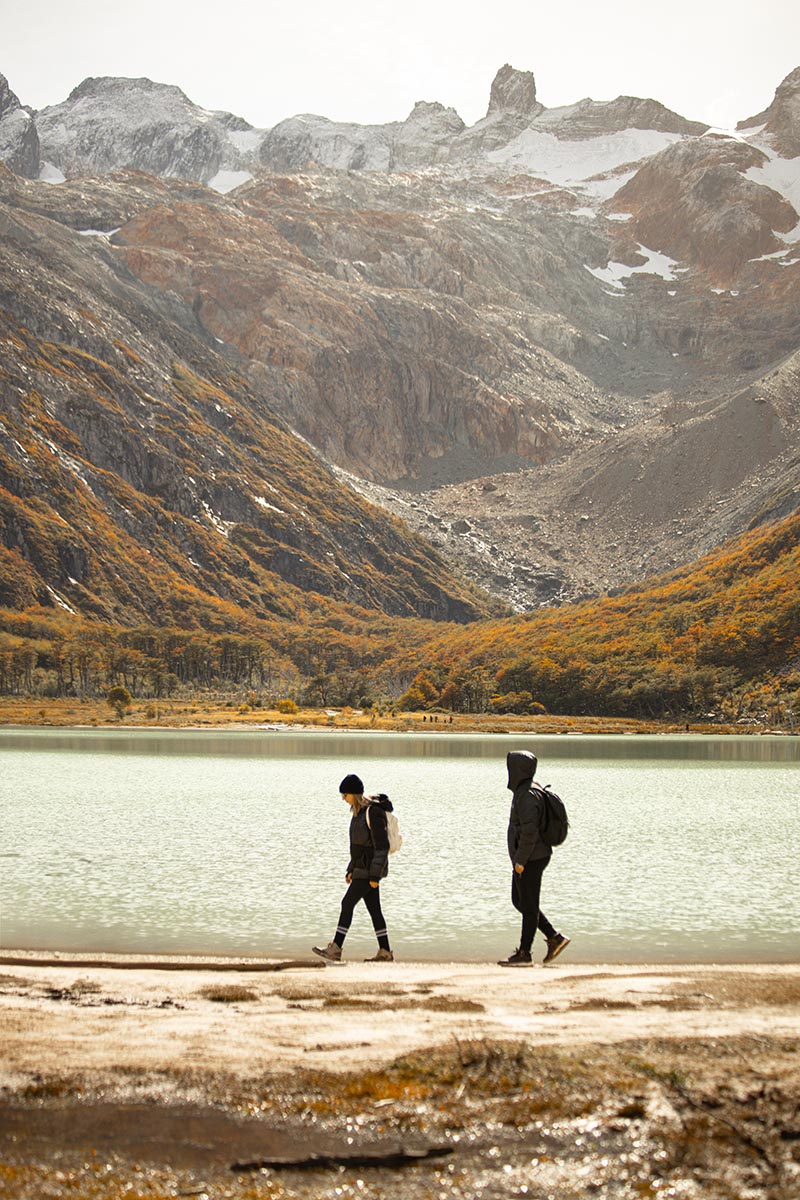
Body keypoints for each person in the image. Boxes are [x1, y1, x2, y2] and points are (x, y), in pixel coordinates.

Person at [313, 773, 395, 963]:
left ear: (355, 794)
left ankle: (336, 948)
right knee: (375, 910)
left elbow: (381, 846)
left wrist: (375, 875)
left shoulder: (372, 812)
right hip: (361, 870)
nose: (343, 798)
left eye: (346, 794)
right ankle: (385, 952)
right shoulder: (357, 814)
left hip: (369, 872)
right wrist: (350, 869)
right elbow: (358, 847)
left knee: (347, 903)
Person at [499, 750, 570, 967]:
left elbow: (529, 832)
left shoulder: (528, 795)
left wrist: (520, 861)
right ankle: (554, 937)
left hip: (531, 857)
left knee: (528, 905)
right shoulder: (526, 790)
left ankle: (524, 954)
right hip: (530, 856)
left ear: (518, 770)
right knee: (520, 901)